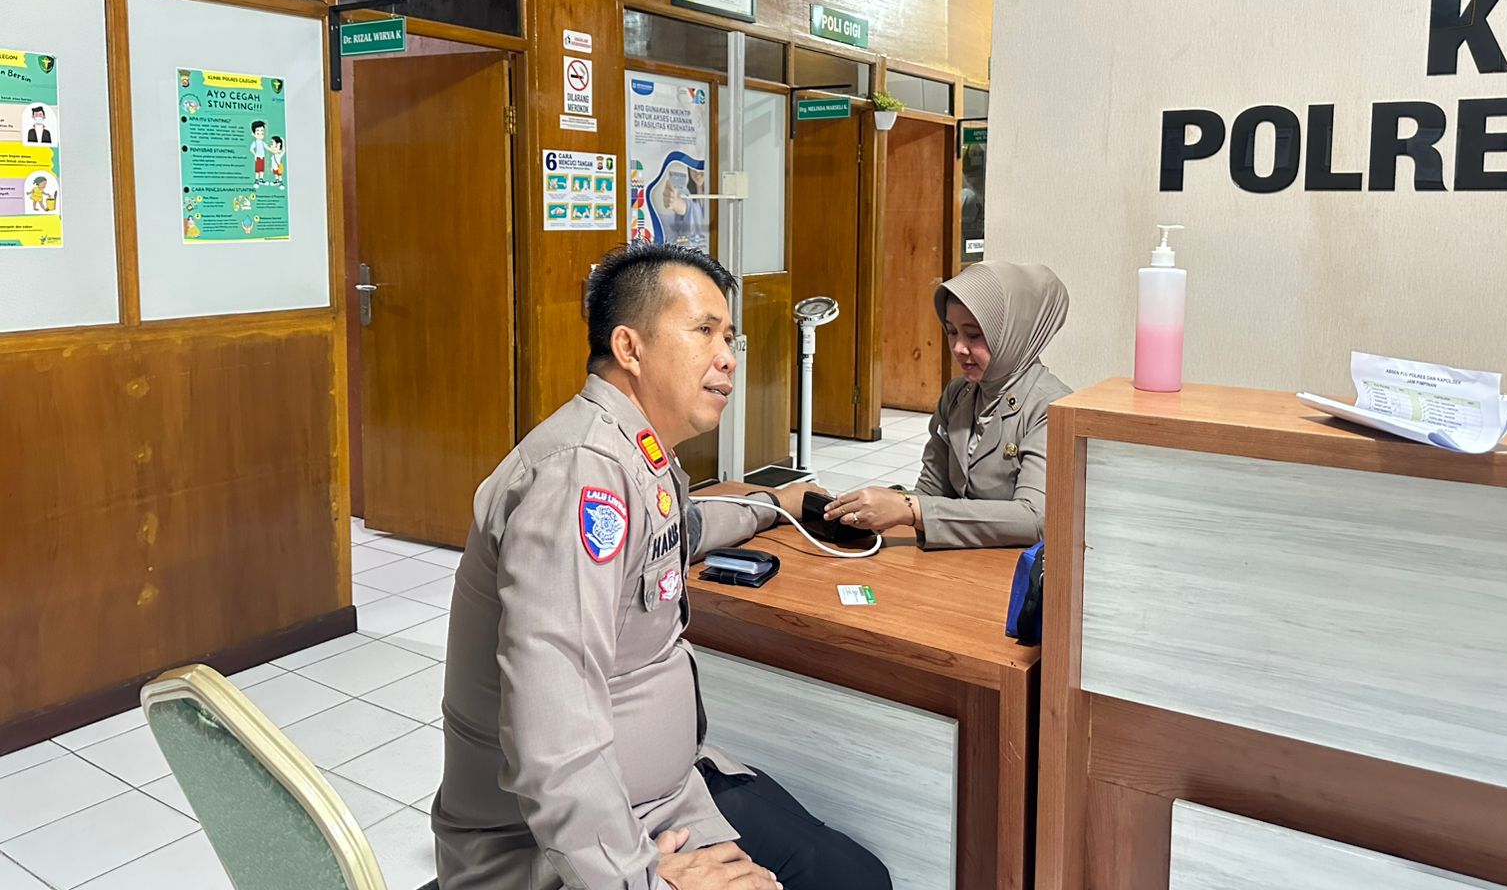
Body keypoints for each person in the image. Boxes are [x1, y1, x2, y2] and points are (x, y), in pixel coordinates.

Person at [432, 243, 892, 890]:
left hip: (662, 798)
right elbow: (554, 741)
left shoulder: (635, 451)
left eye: (728, 336)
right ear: (630, 347)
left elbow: (684, 529)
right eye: (704, 330)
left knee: (847, 870)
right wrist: (646, 882)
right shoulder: (581, 476)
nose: (728, 356)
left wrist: (774, 505)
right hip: (557, 853)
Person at [825, 262, 1071, 549]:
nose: (958, 348)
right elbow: (932, 489)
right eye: (952, 332)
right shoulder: (958, 395)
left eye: (973, 334)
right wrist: (876, 507)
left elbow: (1034, 518)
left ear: (1015, 333)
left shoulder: (1051, 407)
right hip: (958, 560)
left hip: (1015, 565)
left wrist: (909, 509)